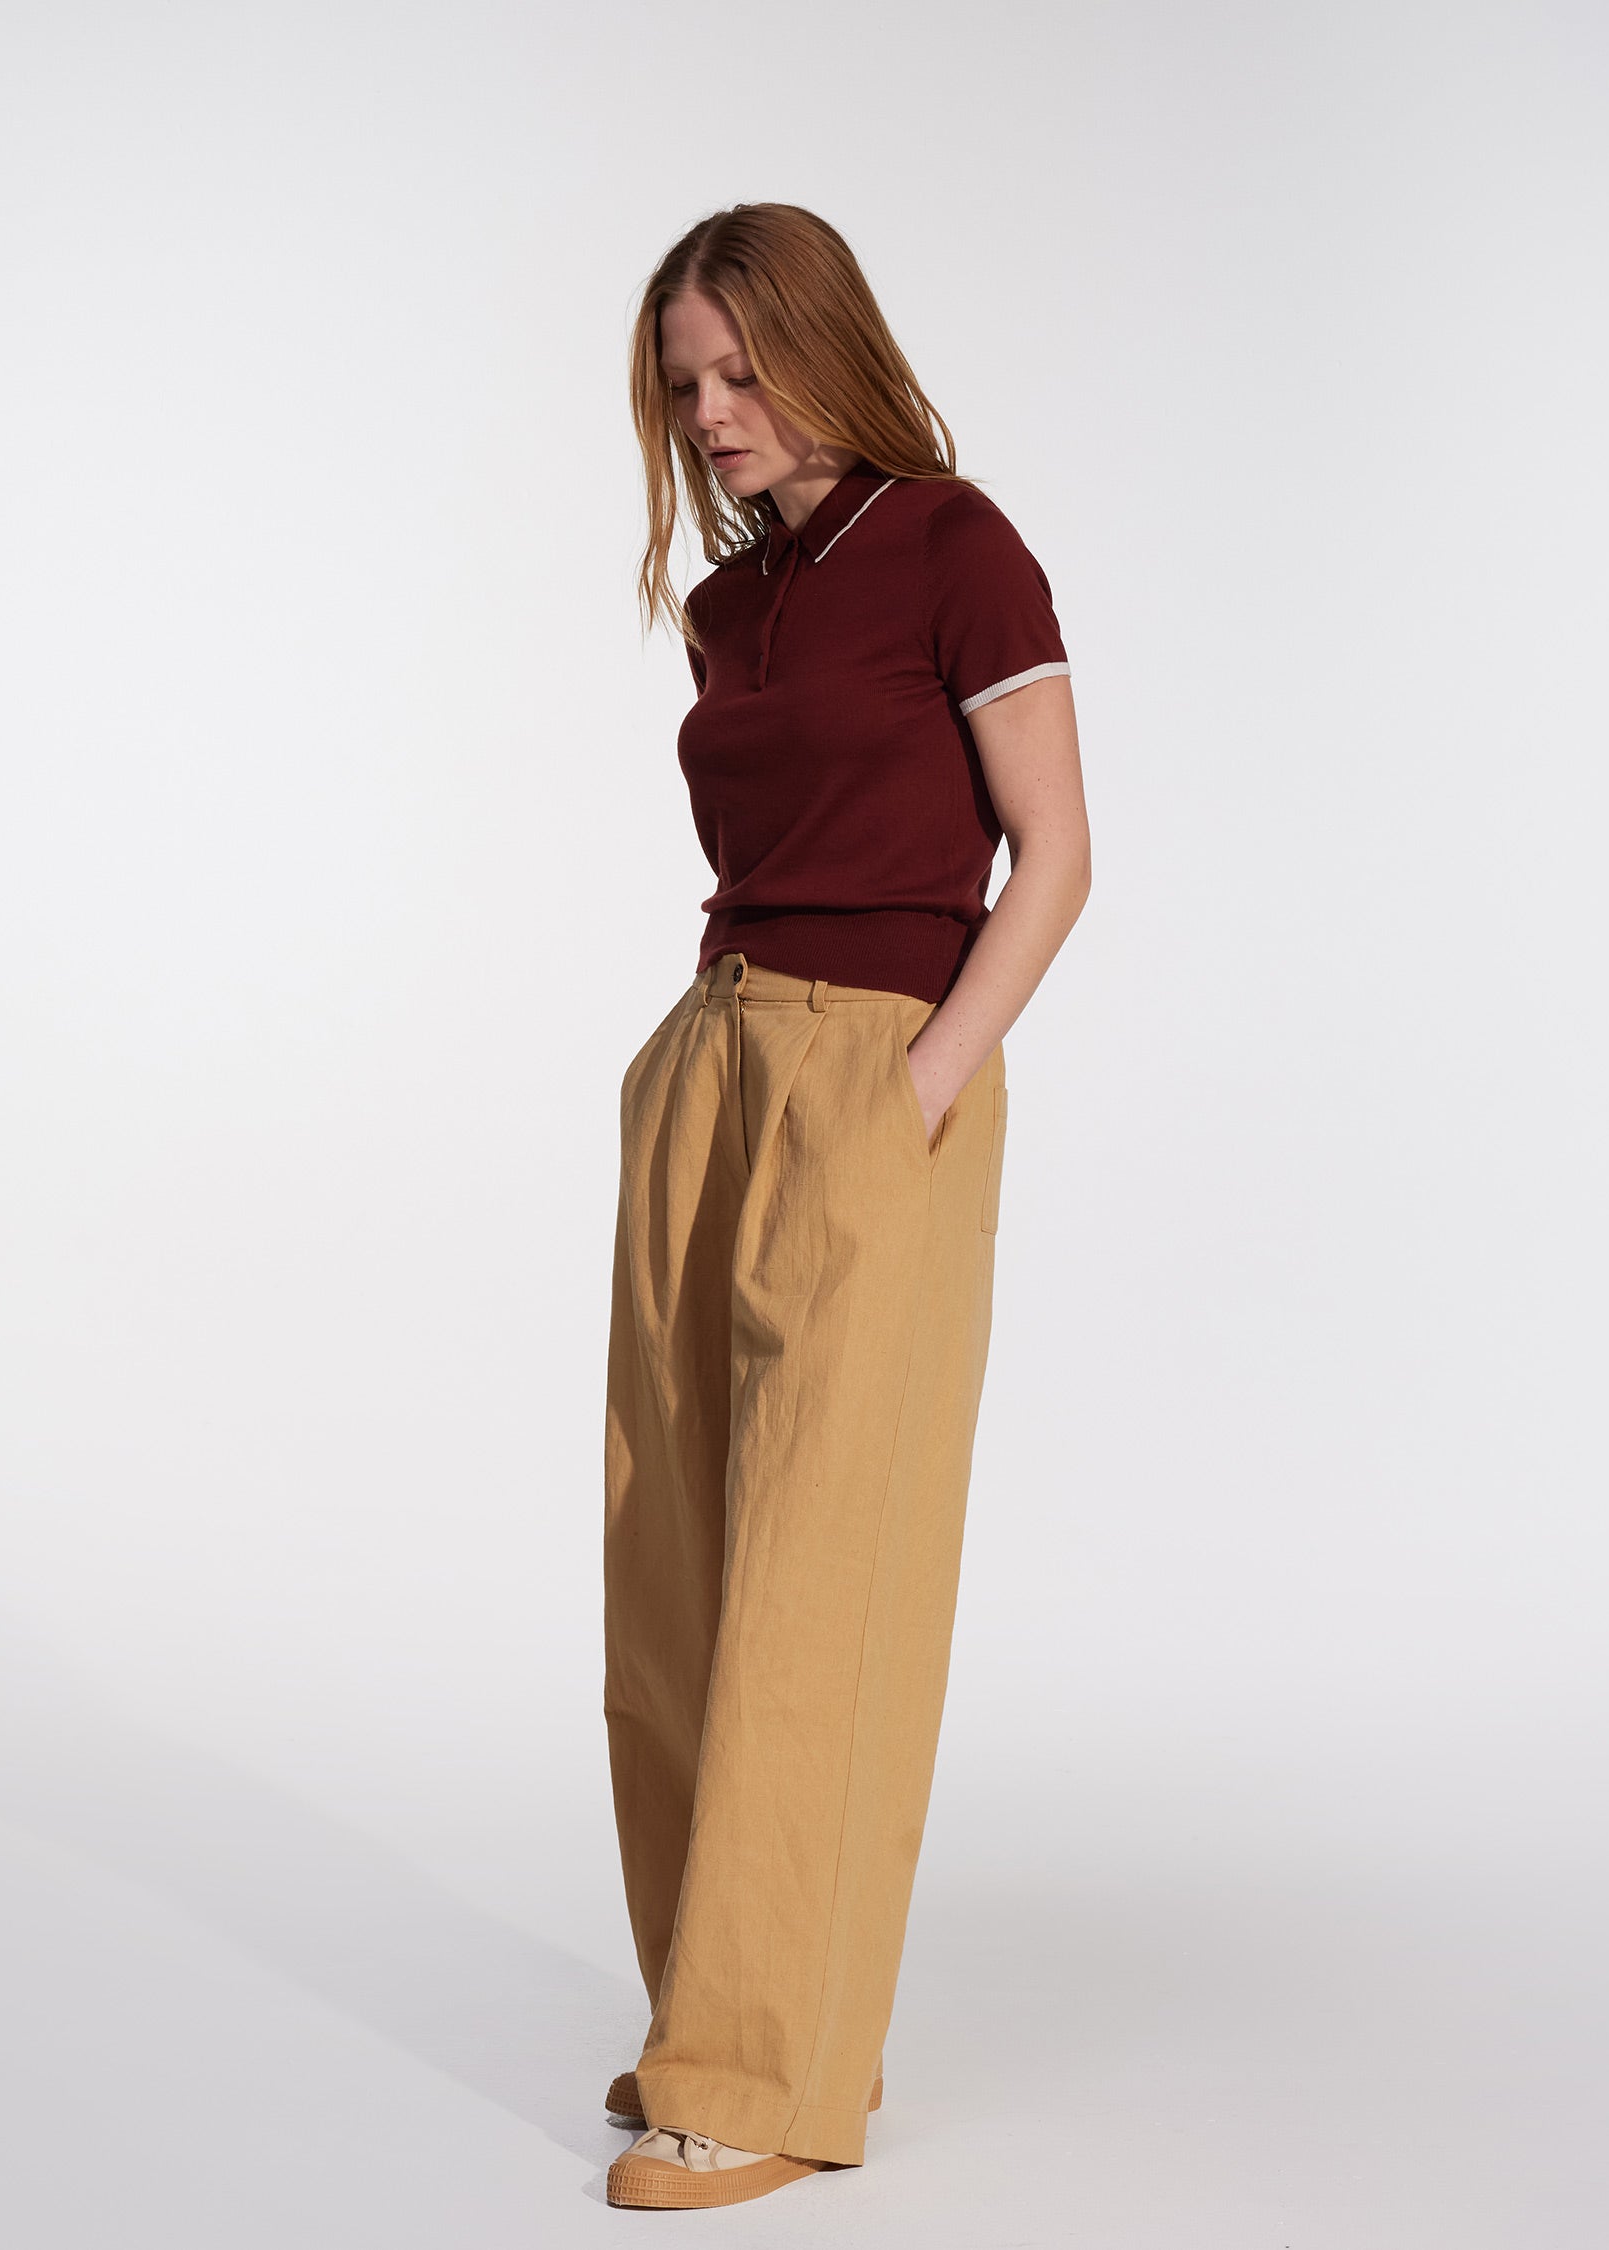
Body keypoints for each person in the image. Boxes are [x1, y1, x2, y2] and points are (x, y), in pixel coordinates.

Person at [600, 202, 1091, 2211]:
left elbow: (1052, 856)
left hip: (871, 1064)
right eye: (685, 384)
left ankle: (776, 2075)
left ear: (824, 345)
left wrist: (916, 1095)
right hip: (709, 1058)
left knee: (822, 1586)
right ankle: (712, 2007)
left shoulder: (954, 546)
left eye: (741, 370)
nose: (713, 415)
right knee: (677, 1567)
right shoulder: (739, 602)